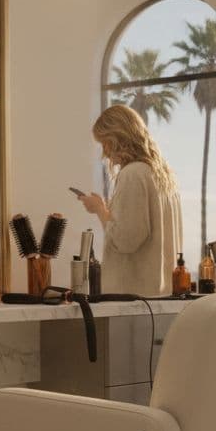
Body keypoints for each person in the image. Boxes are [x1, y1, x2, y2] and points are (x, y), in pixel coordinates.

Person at [78, 104, 183, 296]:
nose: (105, 153)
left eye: (105, 143)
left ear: (118, 137)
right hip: (161, 295)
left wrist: (100, 209)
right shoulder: (165, 176)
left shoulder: (133, 174)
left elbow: (126, 240)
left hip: (133, 298)